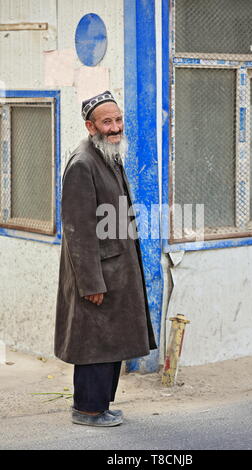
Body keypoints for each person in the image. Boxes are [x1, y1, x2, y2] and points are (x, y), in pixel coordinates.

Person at [54, 91, 157, 427]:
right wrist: (90, 282)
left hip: (114, 268)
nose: (115, 128)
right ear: (90, 126)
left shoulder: (108, 154)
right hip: (96, 272)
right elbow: (77, 229)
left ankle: (100, 406)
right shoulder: (82, 163)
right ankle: (86, 410)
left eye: (118, 120)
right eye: (107, 122)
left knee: (109, 340)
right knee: (93, 342)